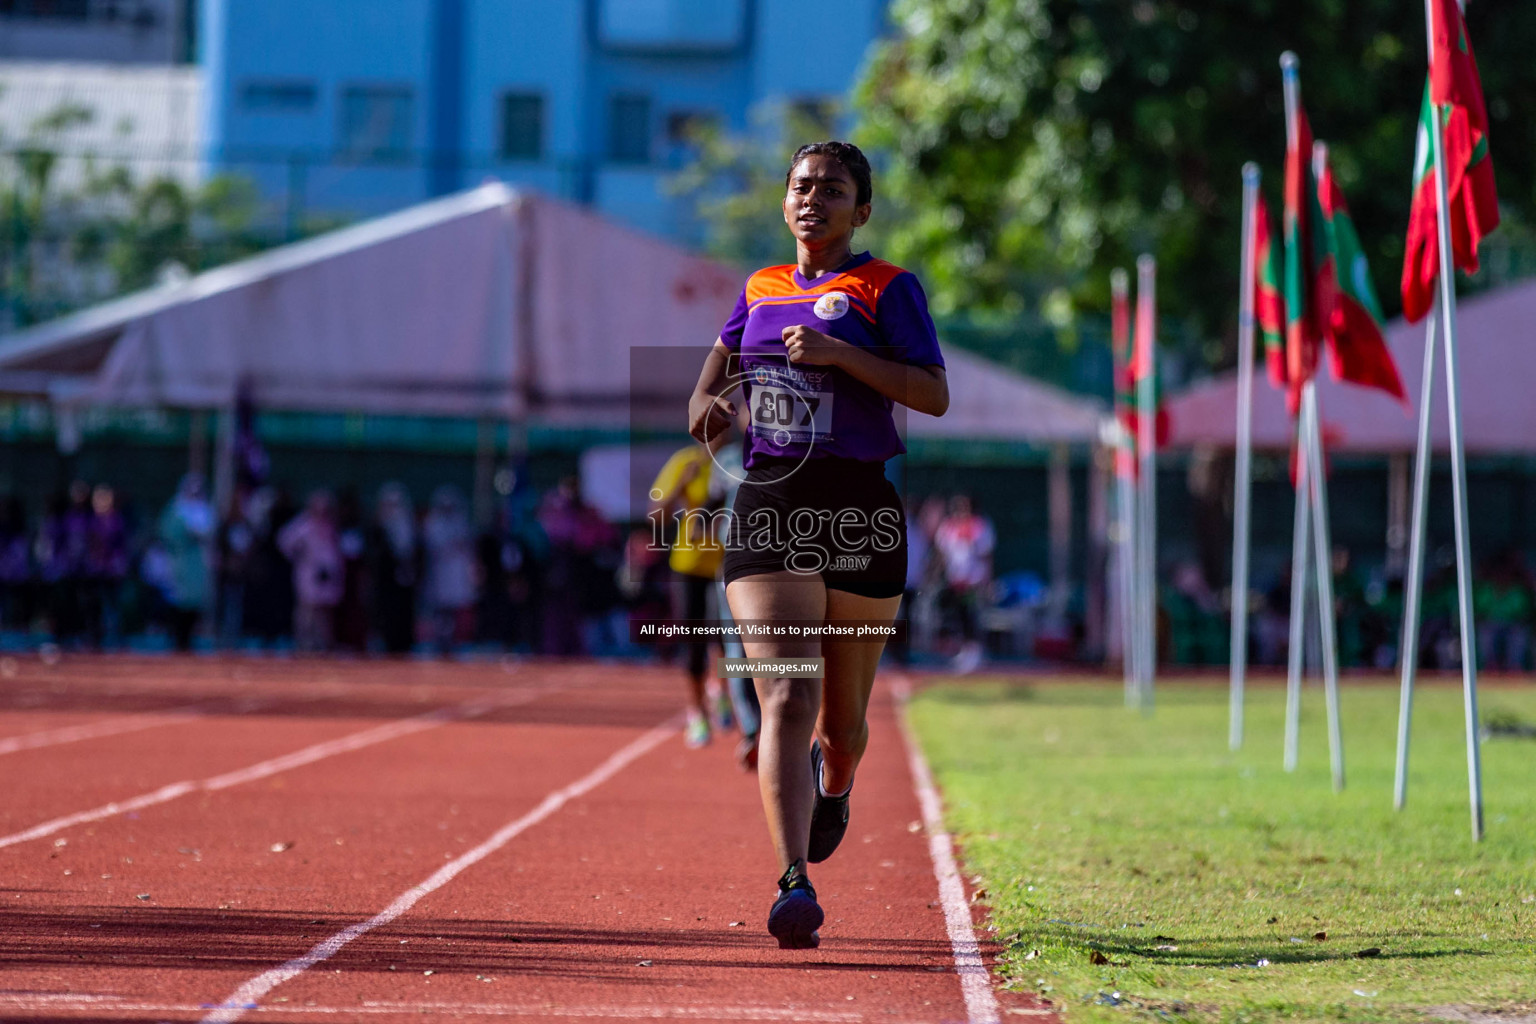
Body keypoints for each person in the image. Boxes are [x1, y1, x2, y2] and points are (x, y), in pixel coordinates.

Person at [688, 140, 948, 949]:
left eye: (832, 190)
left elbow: (933, 394)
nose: (813, 200)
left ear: (860, 210)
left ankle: (838, 784)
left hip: (860, 509)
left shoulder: (888, 289)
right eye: (802, 187)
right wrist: (708, 407)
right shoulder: (759, 288)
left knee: (841, 726)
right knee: (785, 702)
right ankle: (792, 881)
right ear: (785, 201)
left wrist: (841, 356)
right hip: (771, 501)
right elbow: (711, 380)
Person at [650, 431, 736, 748]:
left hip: (727, 564)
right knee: (694, 644)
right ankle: (698, 713)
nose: (719, 435)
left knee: (726, 640)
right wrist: (681, 484)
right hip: (688, 566)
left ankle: (723, 692)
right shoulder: (684, 462)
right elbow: (656, 513)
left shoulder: (738, 462)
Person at [277, 490, 345, 652]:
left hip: (326, 574)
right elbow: (284, 540)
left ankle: (322, 643)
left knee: (324, 611)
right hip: (308, 572)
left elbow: (334, 551)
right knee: (307, 609)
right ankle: (304, 642)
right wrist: (299, 556)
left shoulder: (330, 525)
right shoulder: (304, 524)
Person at [934, 494, 994, 673]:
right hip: (954, 579)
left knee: (970, 615)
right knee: (954, 615)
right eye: (958, 506)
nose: (961, 510)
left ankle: (974, 651)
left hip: (972, 580)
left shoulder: (979, 526)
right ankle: (962, 648)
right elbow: (942, 554)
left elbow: (986, 555)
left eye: (965, 506)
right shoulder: (948, 527)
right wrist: (936, 574)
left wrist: (986, 579)